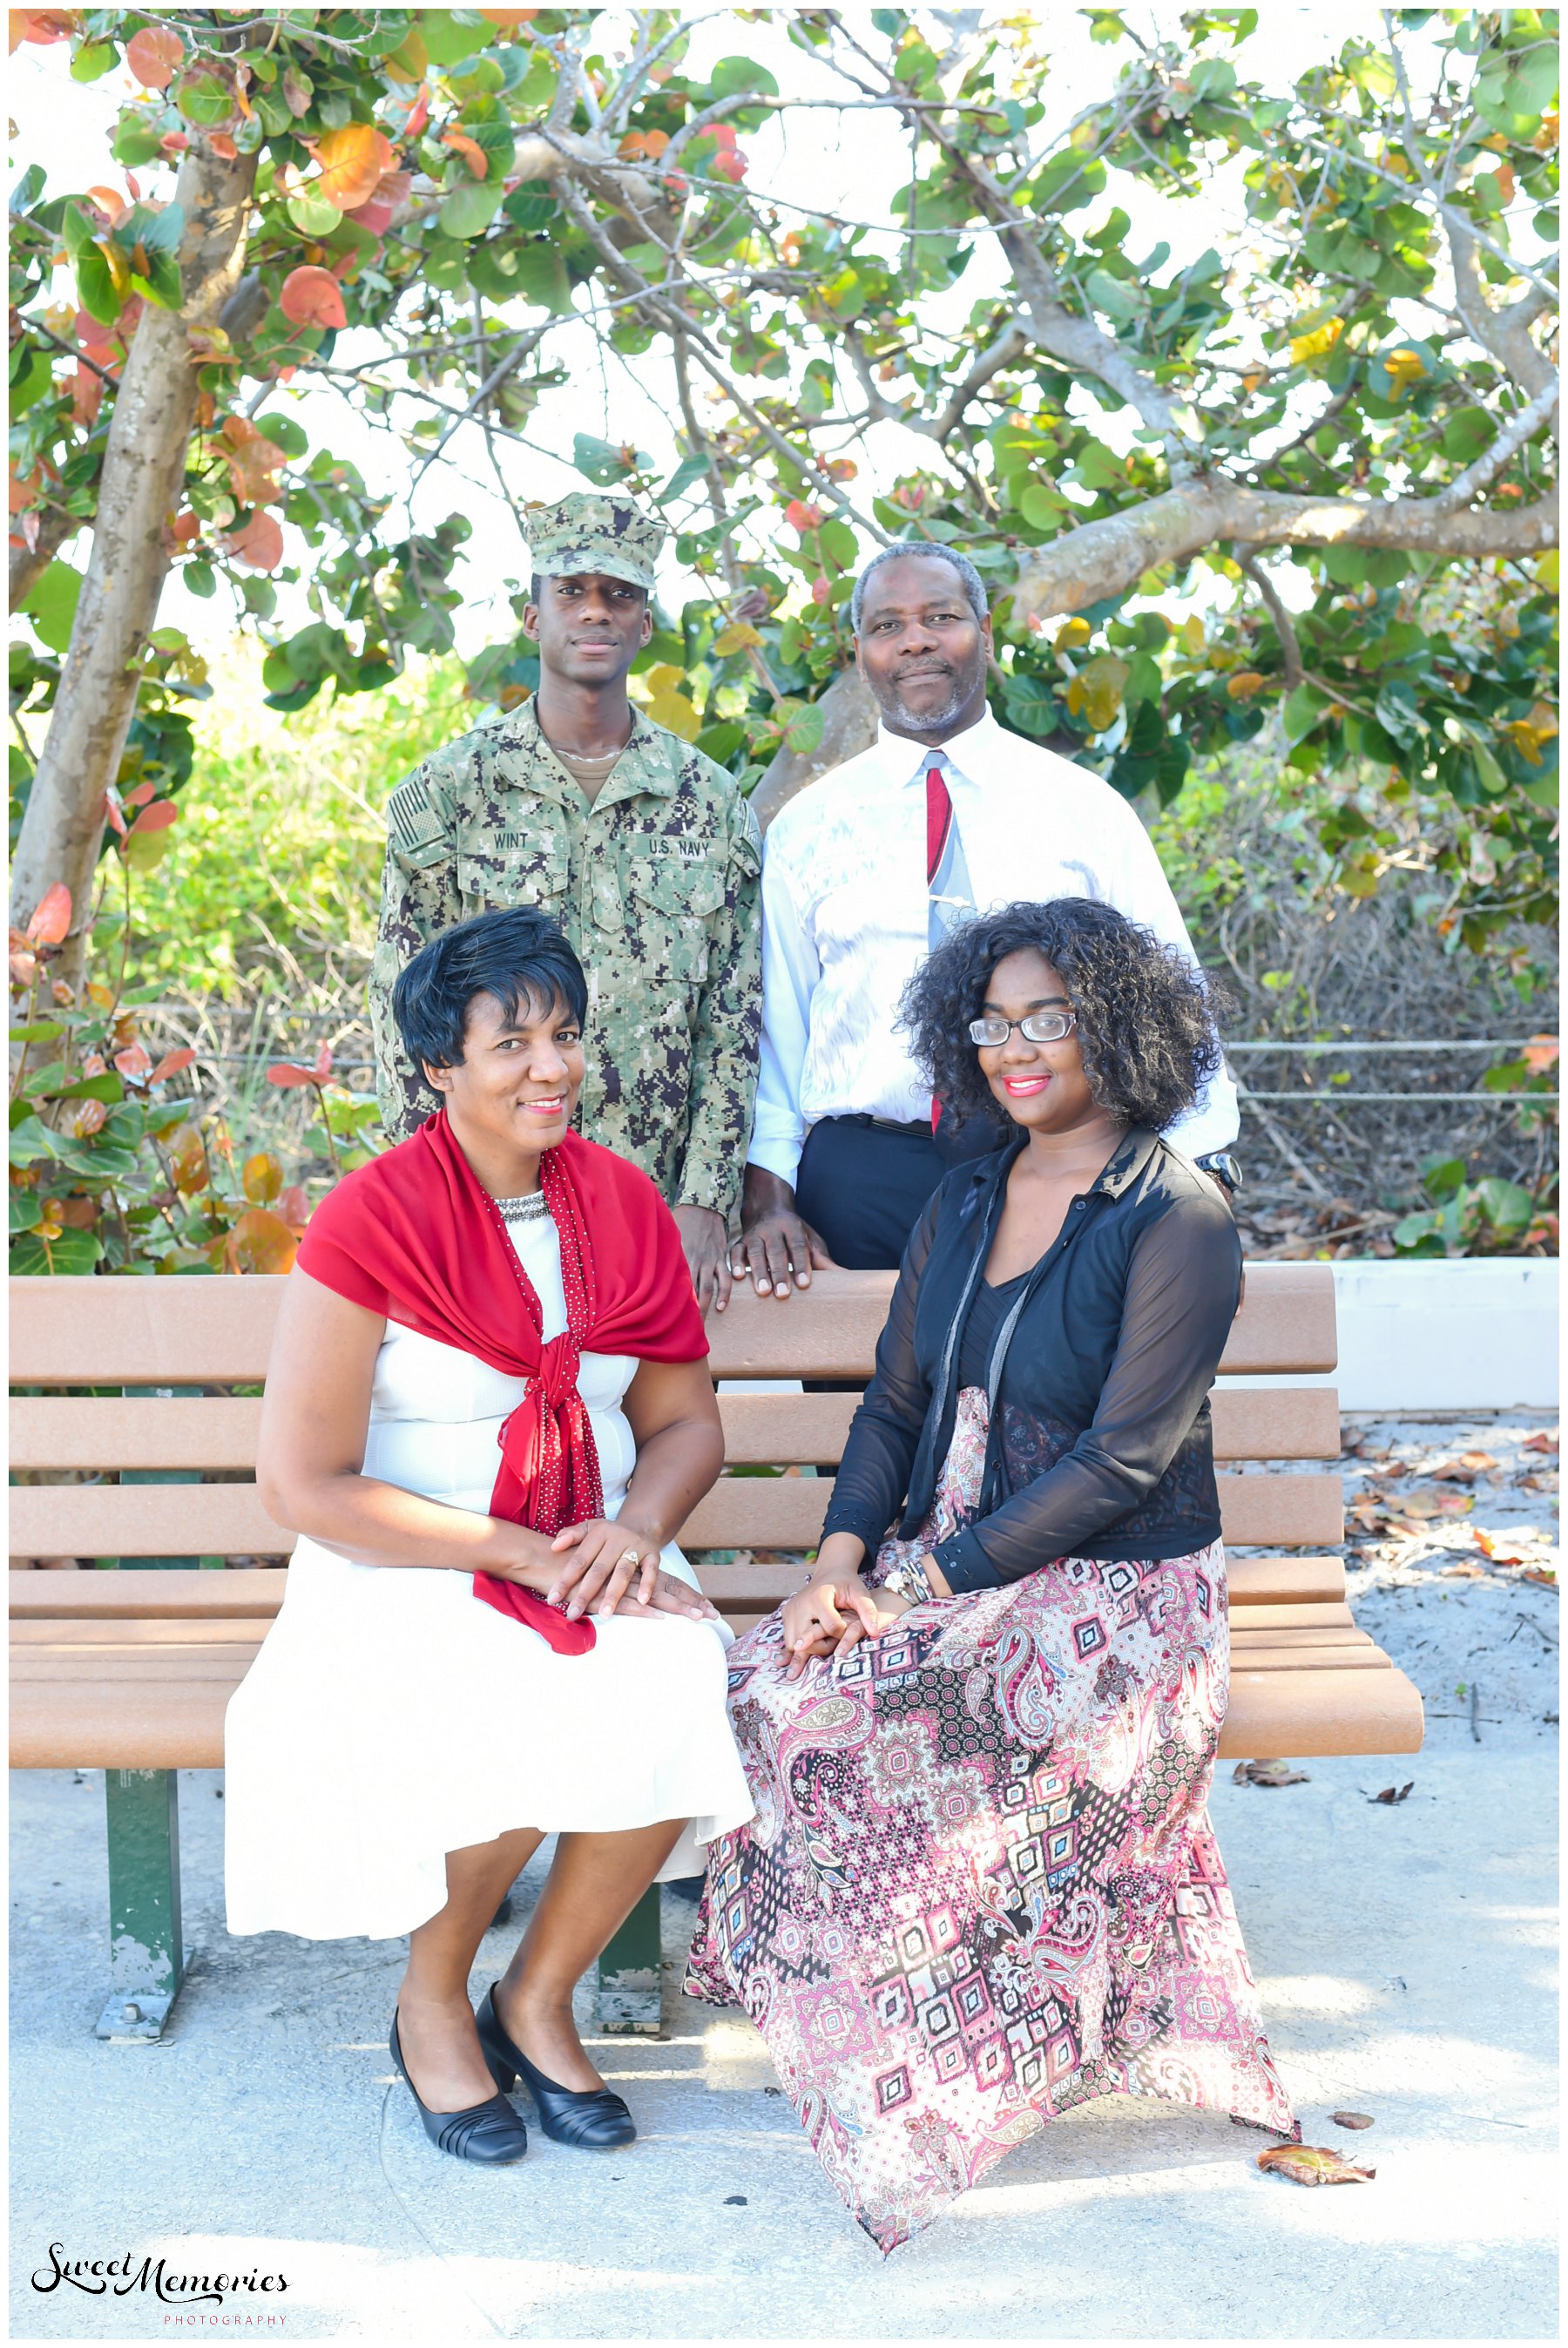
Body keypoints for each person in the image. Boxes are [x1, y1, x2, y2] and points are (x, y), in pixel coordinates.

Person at [686, 898, 1295, 2252]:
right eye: (994, 1021)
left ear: (1118, 1029)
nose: (1016, 1048)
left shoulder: (1179, 1218)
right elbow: (894, 1404)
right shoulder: (964, 1193)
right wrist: (839, 1562)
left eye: (1050, 1018)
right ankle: (890, 2011)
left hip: (1119, 1594)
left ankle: (923, 2081)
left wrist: (919, 1586)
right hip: (949, 1563)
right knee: (758, 1679)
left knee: (843, 1724)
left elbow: (1124, 1461)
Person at [226, 907, 752, 2166]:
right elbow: (301, 1481)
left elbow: (685, 1424)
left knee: (679, 1671)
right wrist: (517, 1552)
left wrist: (634, 1529)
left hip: (598, 1547)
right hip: (410, 1560)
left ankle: (535, 1993)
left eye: (565, 1034)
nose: (551, 1065)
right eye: (511, 1040)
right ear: (437, 1067)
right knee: (497, 1686)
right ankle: (431, 1998)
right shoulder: (373, 1218)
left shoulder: (622, 1206)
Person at [733, 538, 1242, 1297]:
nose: (915, 639)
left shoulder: (1083, 809)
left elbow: (1173, 1004)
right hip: (862, 1180)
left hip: (1059, 1156)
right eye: (886, 625)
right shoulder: (808, 827)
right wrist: (769, 1189)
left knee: (1044, 1403)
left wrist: (1203, 1167)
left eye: (941, 616)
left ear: (985, 633)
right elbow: (781, 1024)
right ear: (861, 650)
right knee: (868, 1413)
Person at [368, 491, 761, 1315]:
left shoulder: (710, 800)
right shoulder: (451, 792)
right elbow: (401, 1011)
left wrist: (706, 1199)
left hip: (651, 1205)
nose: (595, 612)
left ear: (645, 623)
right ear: (531, 615)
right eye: (571, 592)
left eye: (618, 595)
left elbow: (733, 1015)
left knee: (646, 1435)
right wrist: (434, 1193)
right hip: (487, 1198)